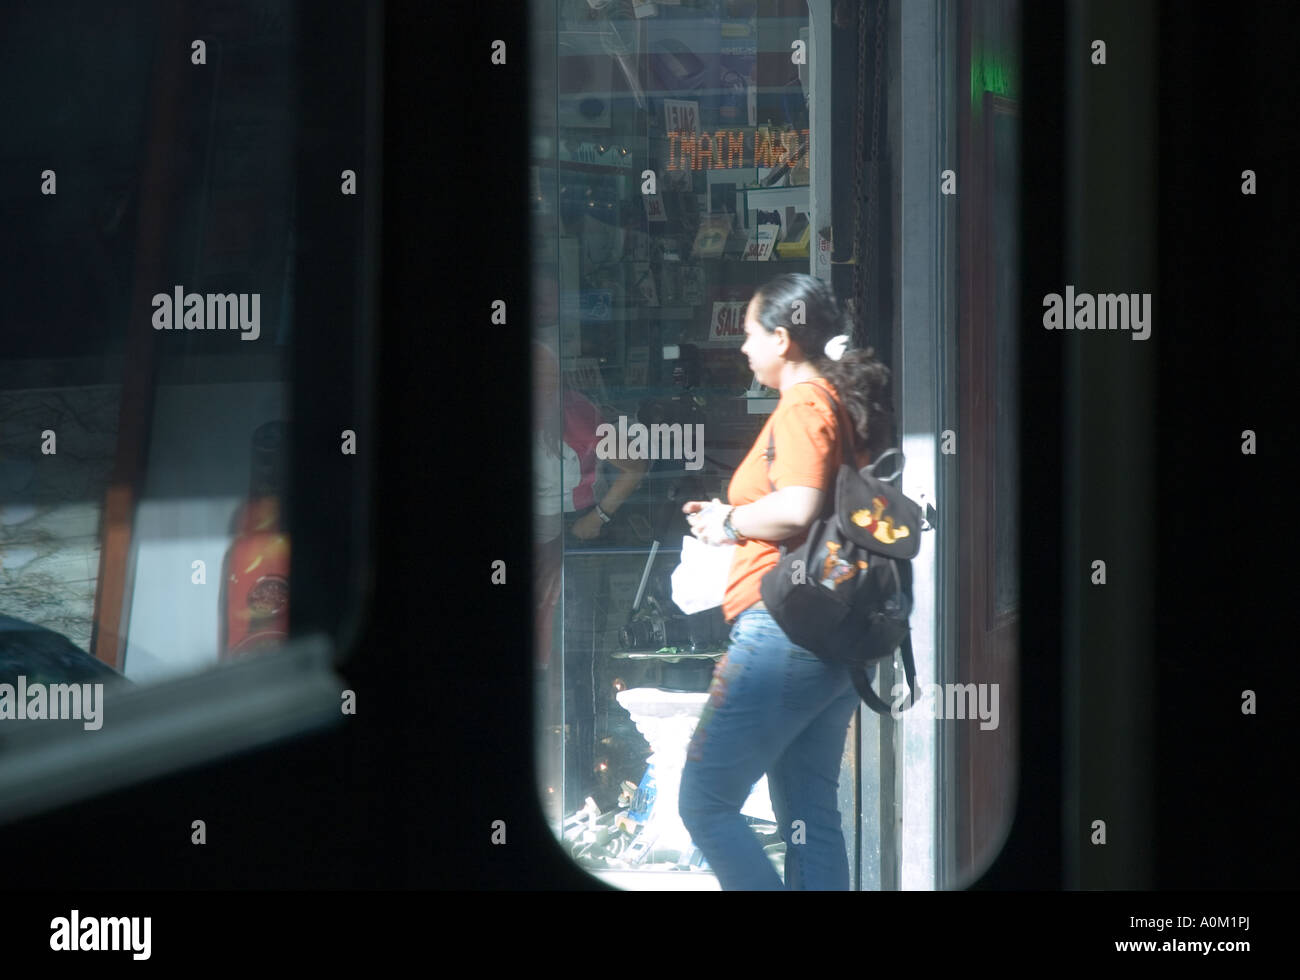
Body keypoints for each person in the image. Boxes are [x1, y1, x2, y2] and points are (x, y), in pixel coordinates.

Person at [677, 273, 895, 890]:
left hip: (781, 634)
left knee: (704, 803)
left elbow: (797, 508)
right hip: (827, 641)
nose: (742, 348)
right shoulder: (834, 403)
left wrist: (726, 521)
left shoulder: (803, 404)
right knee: (809, 815)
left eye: (750, 334)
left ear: (782, 338)